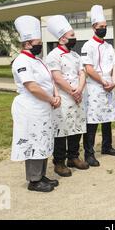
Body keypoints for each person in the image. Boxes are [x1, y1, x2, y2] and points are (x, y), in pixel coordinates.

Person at [11, 15, 61, 193]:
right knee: (33, 141)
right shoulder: (21, 61)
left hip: (44, 107)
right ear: (27, 43)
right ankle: (34, 180)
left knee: (44, 140)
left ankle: (41, 174)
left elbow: (49, 81)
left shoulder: (39, 60)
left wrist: (55, 95)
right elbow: (32, 86)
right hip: (30, 108)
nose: (40, 45)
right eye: (38, 42)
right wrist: (51, 99)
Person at [45, 15, 89, 178]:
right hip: (63, 98)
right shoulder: (53, 55)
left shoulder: (76, 56)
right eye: (72, 36)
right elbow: (57, 77)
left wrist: (80, 89)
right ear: (62, 38)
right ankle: (59, 162)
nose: (74, 38)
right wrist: (73, 91)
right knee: (62, 130)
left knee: (76, 127)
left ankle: (73, 157)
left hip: (77, 96)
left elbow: (82, 72)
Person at [81, 5, 115, 167]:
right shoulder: (87, 46)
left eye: (105, 27)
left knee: (107, 119)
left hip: (108, 86)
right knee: (92, 121)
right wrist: (103, 82)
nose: (103, 29)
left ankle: (107, 146)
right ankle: (89, 154)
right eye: (100, 27)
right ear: (93, 28)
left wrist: (113, 81)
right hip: (94, 88)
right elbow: (88, 68)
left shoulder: (109, 46)